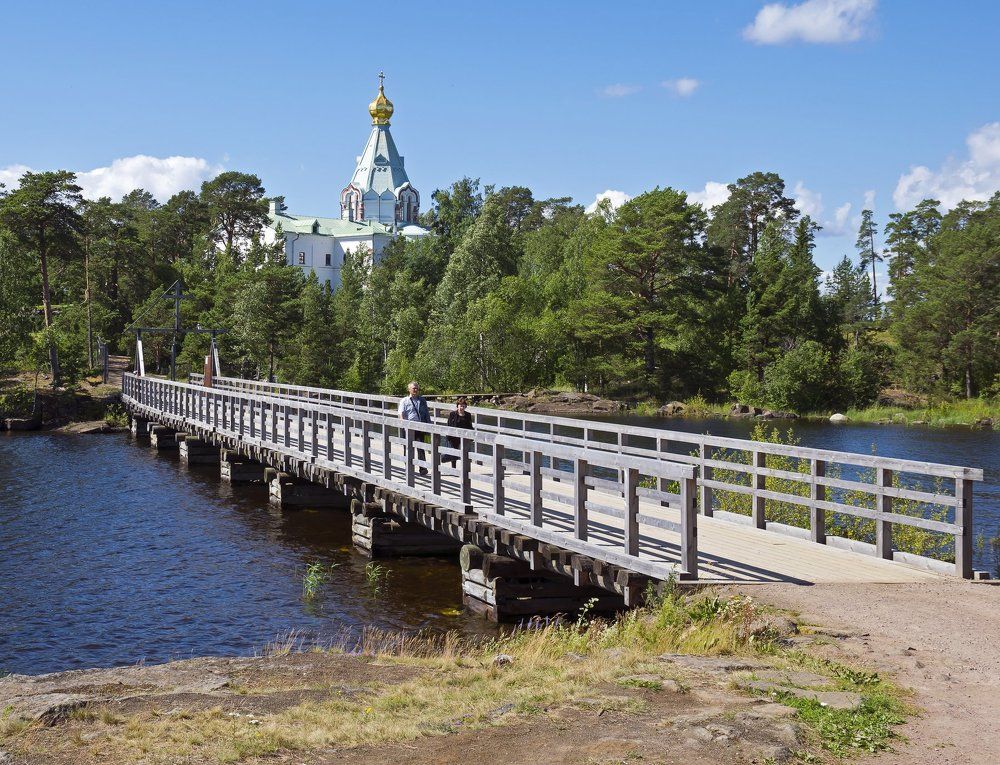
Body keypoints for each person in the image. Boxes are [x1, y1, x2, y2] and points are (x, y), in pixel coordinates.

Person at [398, 381, 431, 474]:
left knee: (421, 448)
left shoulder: (422, 400)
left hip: (420, 427)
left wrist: (429, 426)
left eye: (417, 388)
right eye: (414, 388)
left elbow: (427, 414)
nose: (416, 390)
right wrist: (404, 425)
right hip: (408, 428)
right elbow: (401, 413)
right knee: (408, 448)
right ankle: (409, 468)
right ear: (409, 389)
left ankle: (423, 468)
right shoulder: (404, 400)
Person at [445, 397, 474, 466]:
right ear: (457, 406)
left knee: (465, 452)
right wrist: (448, 436)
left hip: (465, 436)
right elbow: (449, 425)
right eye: (461, 406)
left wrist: (472, 435)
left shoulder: (468, 415)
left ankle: (465, 469)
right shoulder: (452, 414)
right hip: (454, 436)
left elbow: (470, 426)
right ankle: (453, 468)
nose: (462, 408)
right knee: (454, 453)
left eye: (464, 406)